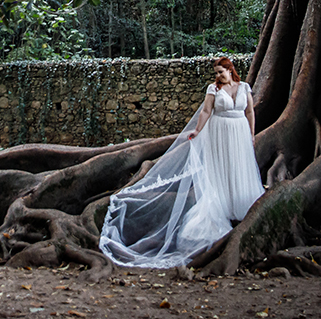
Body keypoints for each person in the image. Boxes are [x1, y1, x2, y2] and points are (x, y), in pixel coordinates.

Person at [98, 57, 265, 269]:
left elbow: (249, 111)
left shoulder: (244, 87)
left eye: (221, 72)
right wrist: (197, 130)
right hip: (220, 133)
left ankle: (239, 208)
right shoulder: (213, 89)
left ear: (231, 70)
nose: (218, 76)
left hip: (239, 133)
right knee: (221, 171)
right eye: (216, 72)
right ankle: (223, 210)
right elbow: (206, 111)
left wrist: (251, 134)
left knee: (238, 170)